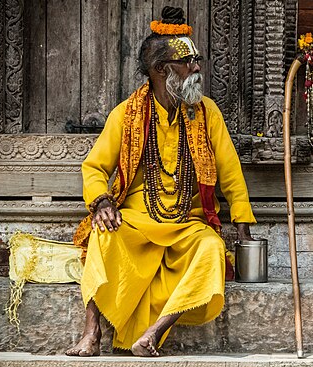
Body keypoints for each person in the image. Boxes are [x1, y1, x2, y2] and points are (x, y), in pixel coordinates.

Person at [65, 6, 256, 358]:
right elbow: (93, 167)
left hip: (188, 224)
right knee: (101, 236)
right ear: (161, 70)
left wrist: (242, 227)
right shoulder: (126, 114)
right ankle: (91, 331)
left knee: (212, 250)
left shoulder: (206, 112)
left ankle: (153, 333)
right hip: (137, 220)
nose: (197, 68)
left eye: (196, 59)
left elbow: (231, 173)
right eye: (187, 62)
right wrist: (102, 202)